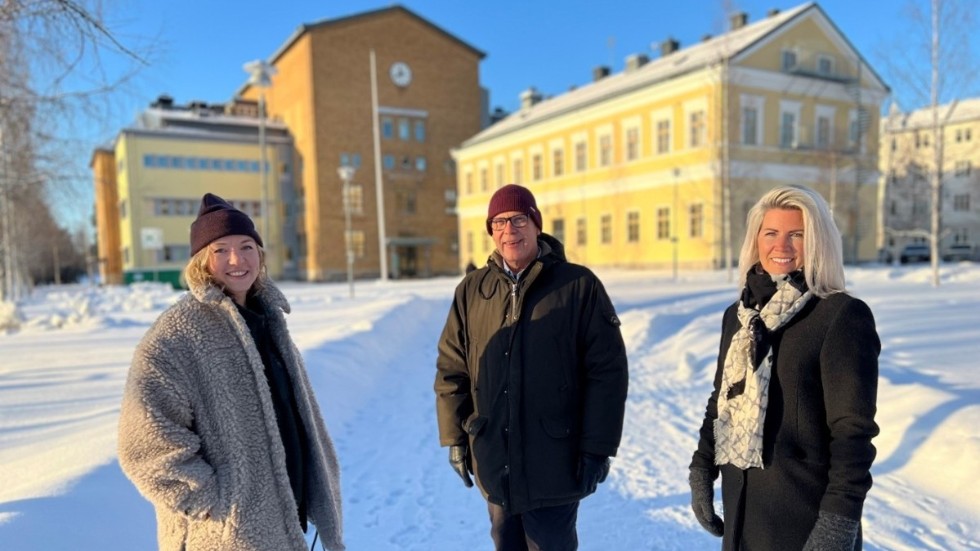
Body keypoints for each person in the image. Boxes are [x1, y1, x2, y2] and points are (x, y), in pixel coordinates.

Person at [118, 193, 344, 551]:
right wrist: (215, 502)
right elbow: (144, 446)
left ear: (261, 254)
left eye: (247, 246)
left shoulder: (268, 320)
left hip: (281, 519)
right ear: (200, 262)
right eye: (220, 250)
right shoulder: (176, 335)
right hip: (226, 534)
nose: (237, 260)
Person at [435, 184, 629, 550]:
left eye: (519, 219)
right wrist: (456, 438)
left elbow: (608, 374)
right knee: (505, 542)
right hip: (494, 458)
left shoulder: (578, 286)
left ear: (536, 224)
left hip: (556, 459)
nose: (510, 230)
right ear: (492, 231)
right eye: (500, 222)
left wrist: (597, 447)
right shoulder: (471, 290)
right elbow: (451, 369)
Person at [689, 185, 880, 551]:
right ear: (756, 239)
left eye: (797, 234)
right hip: (743, 507)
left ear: (818, 242)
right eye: (771, 233)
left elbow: (853, 432)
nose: (783, 246)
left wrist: (837, 525)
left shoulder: (839, 316)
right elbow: (722, 400)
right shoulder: (739, 316)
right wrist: (702, 468)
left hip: (803, 517)